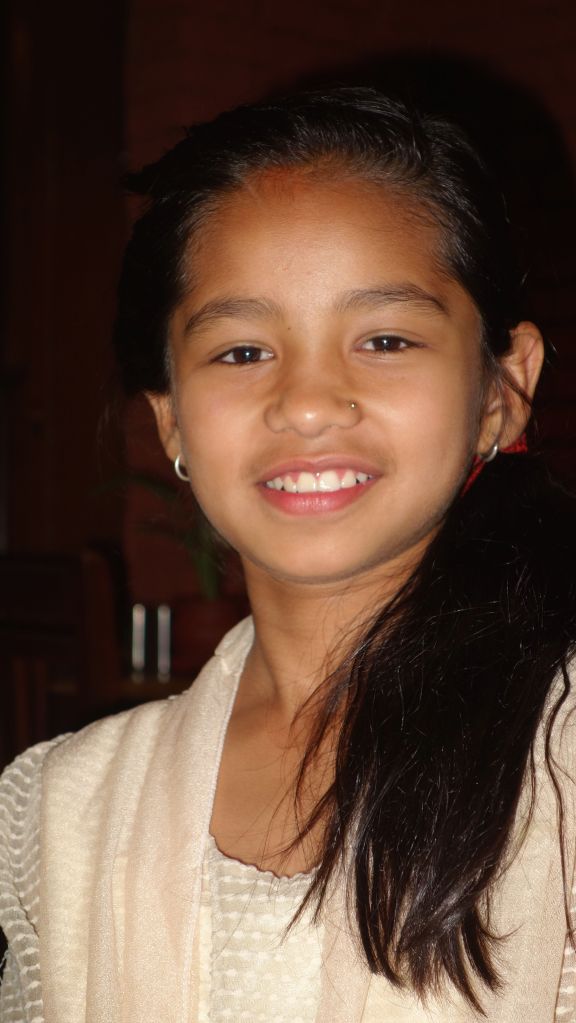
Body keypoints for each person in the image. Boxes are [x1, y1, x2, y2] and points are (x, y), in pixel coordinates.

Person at [1, 86, 576, 1023]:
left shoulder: (560, 762)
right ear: (170, 418)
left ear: (502, 389)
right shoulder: (60, 810)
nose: (307, 404)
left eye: (384, 339)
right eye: (241, 352)